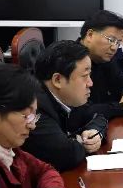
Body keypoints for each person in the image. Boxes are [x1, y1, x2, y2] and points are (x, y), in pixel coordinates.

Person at [22, 40, 107, 172]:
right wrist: (81, 140)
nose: (90, 83)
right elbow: (66, 154)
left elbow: (98, 115)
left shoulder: (68, 97)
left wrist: (95, 132)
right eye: (85, 76)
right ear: (58, 80)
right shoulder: (34, 107)